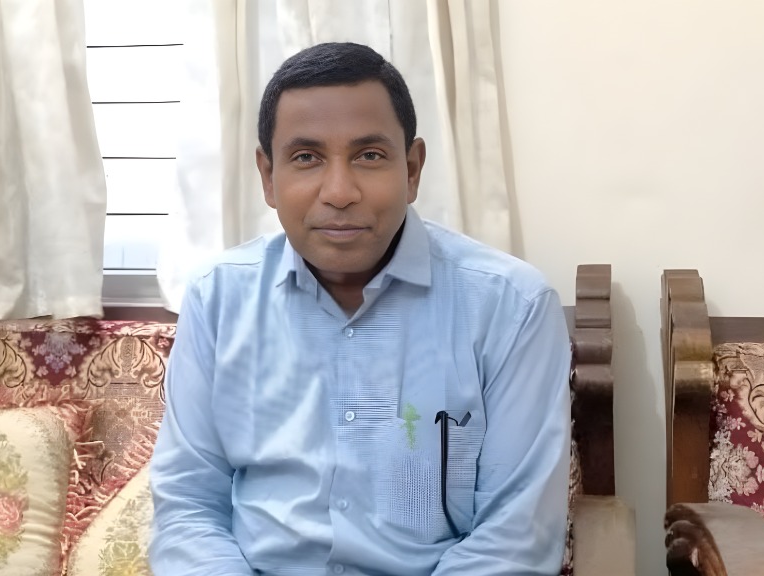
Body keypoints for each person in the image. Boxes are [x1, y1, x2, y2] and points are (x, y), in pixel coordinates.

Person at [149, 42, 571, 575]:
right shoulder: (218, 298)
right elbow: (188, 505)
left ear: (412, 170)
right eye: (306, 158)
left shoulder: (511, 307)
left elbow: (515, 536)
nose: (339, 192)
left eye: (369, 155)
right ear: (268, 177)